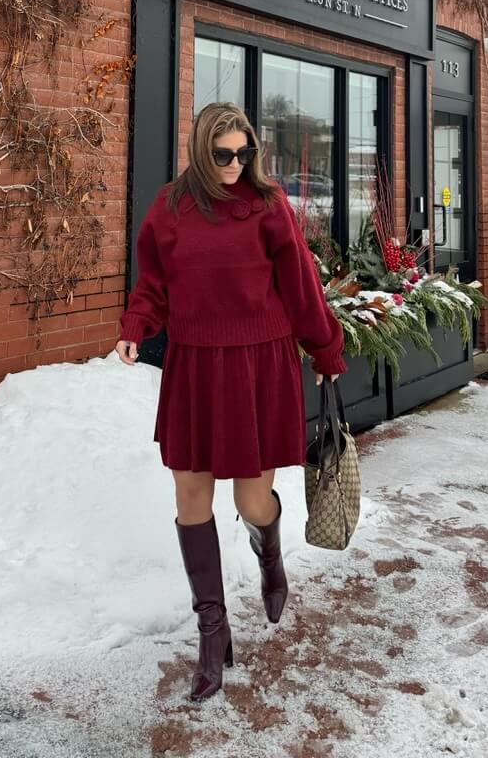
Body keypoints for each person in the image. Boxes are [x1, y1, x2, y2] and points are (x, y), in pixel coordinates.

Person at [115, 101, 345, 703]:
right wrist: (136, 326)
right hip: (194, 365)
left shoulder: (268, 205)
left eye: (245, 153)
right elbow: (153, 285)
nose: (236, 164)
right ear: (201, 151)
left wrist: (325, 348)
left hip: (257, 364)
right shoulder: (169, 209)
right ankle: (212, 632)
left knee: (250, 499)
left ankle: (270, 556)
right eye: (224, 154)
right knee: (191, 497)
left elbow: (300, 285)